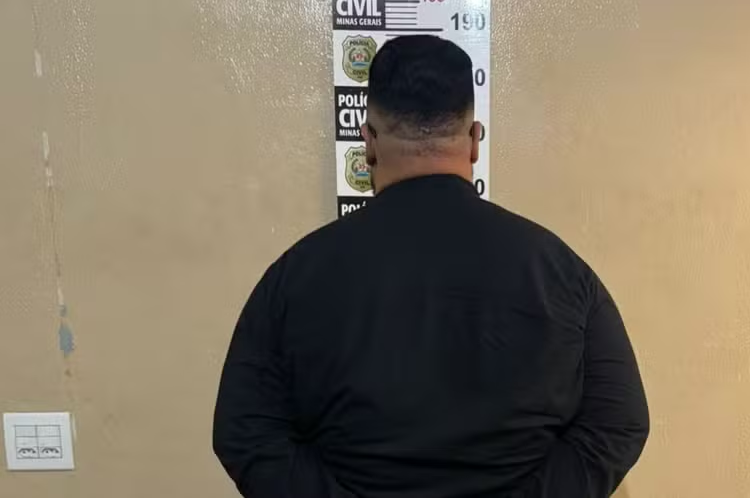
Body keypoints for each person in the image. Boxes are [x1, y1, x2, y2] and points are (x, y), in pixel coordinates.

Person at [213, 35, 649, 498]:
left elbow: (244, 432)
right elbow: (618, 422)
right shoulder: (560, 270)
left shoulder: (296, 275)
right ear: (474, 140)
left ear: (368, 142)